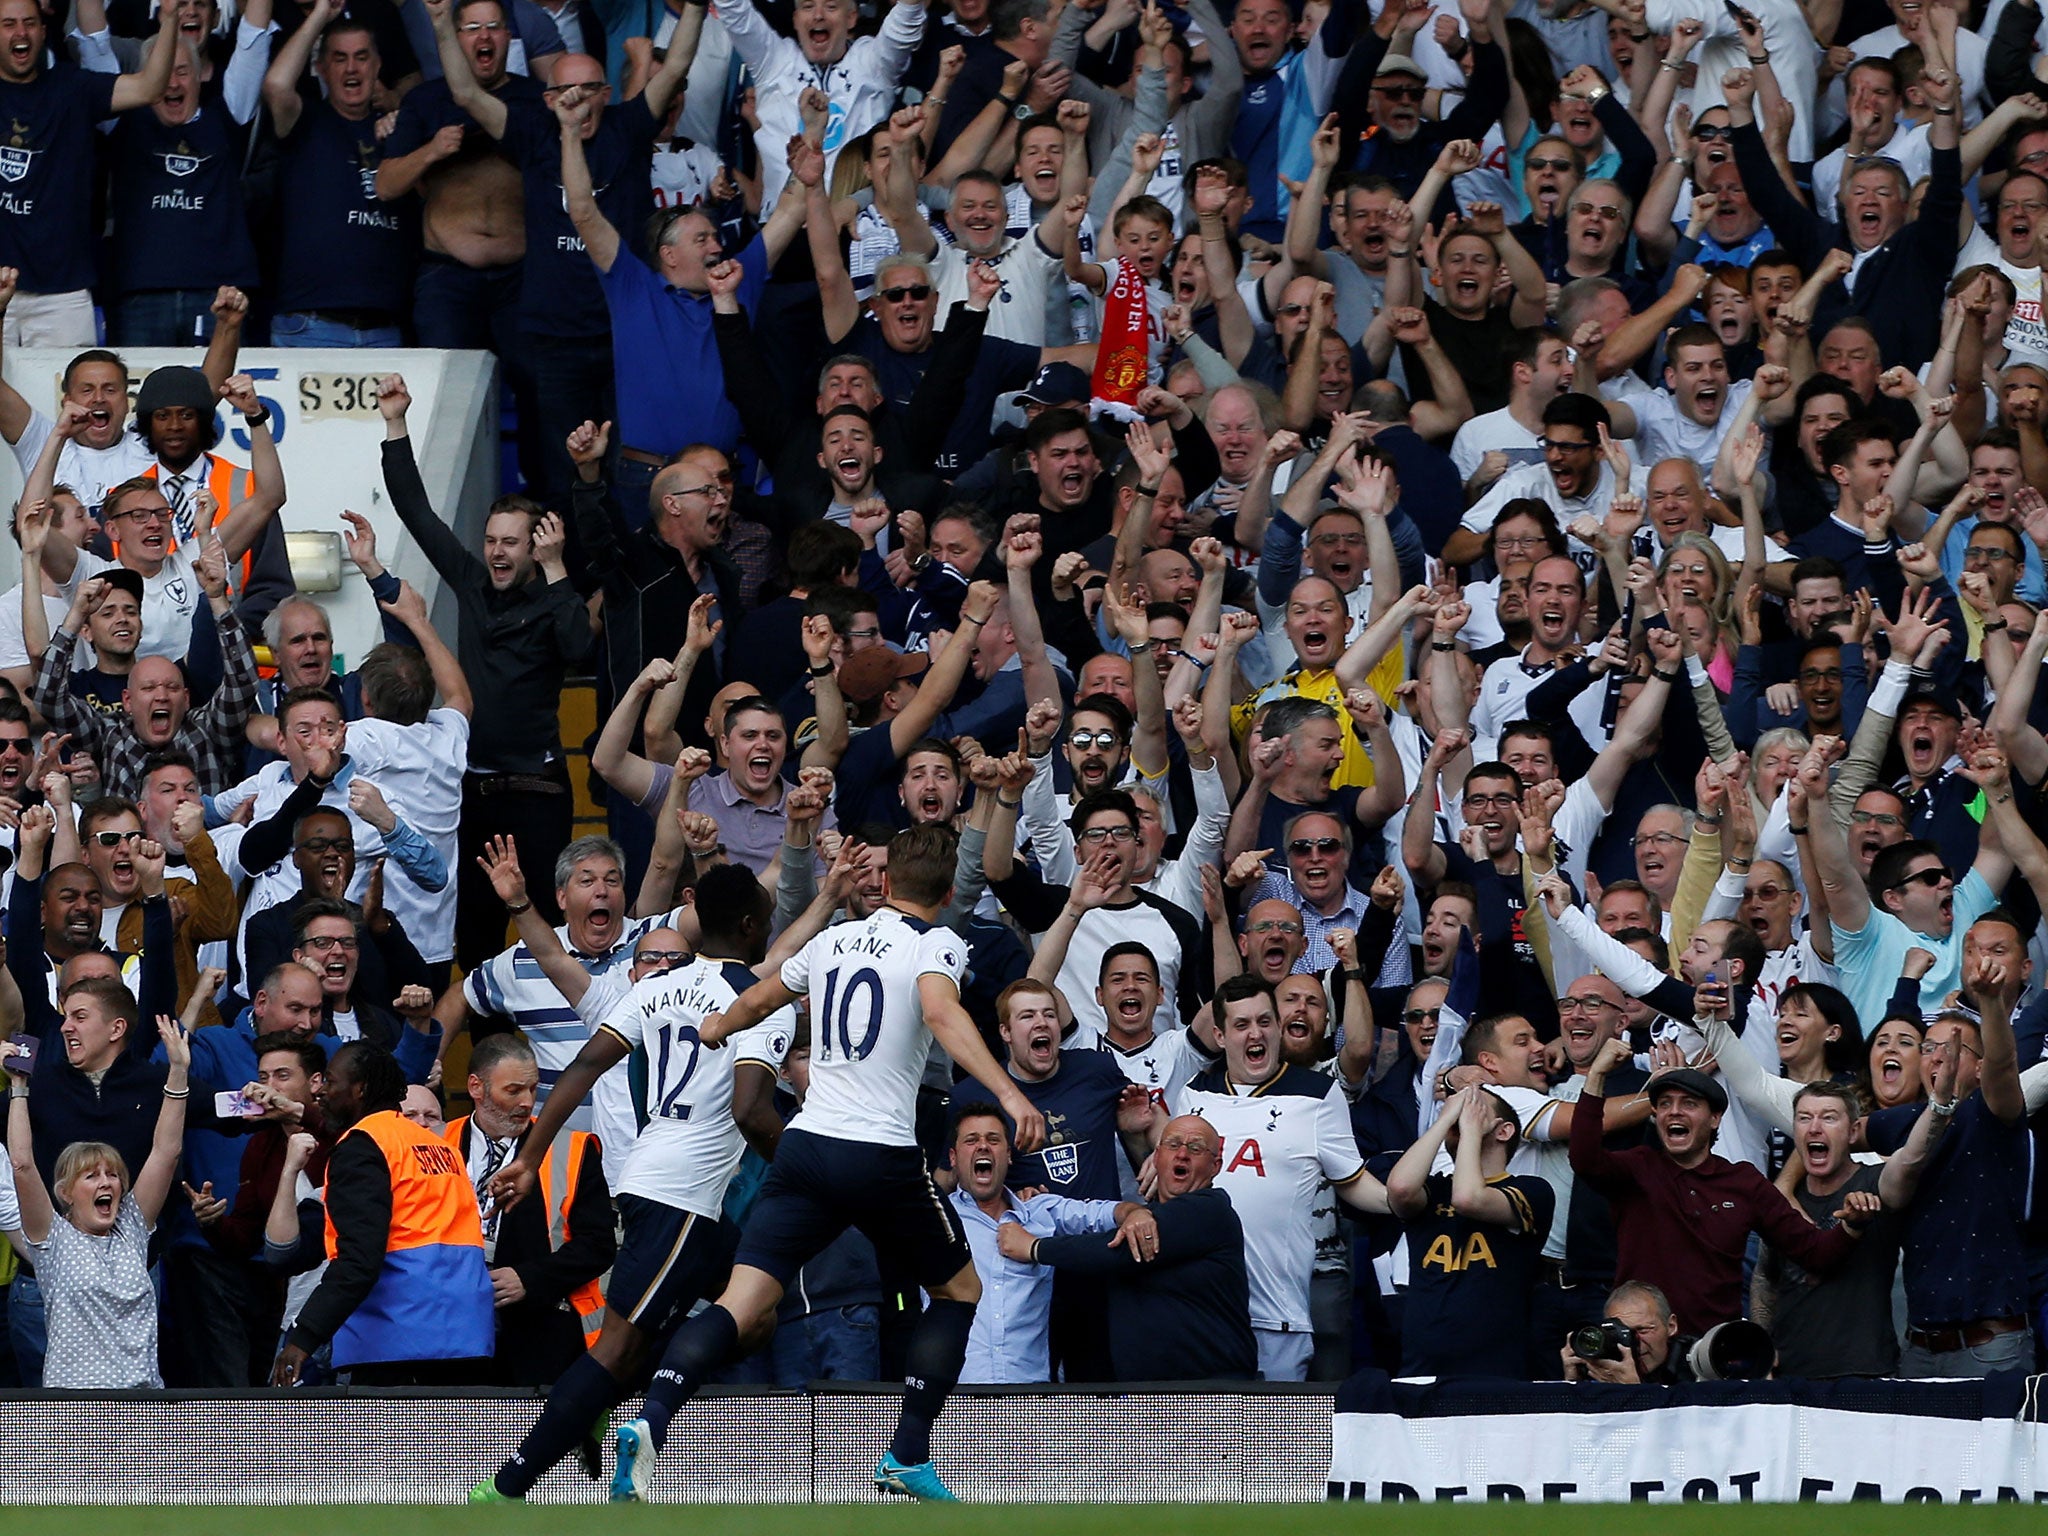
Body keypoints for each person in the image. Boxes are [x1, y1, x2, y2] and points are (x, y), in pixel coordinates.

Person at [596, 825, 1046, 1503]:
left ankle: (652, 1418)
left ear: (885, 882)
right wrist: (1010, 1093)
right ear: (950, 892)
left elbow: (759, 997)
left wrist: (715, 1028)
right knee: (960, 1292)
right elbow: (939, 1010)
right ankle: (906, 1454)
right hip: (880, 1155)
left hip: (806, 1148)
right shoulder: (938, 942)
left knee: (739, 1302)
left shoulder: (833, 939)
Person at [468, 864, 793, 1500]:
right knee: (617, 1346)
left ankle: (620, 1402)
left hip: (654, 1179)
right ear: (754, 926)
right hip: (683, 1195)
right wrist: (803, 1174)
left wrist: (532, 1156)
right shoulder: (759, 1003)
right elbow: (752, 1112)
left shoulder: (657, 988)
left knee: (755, 1313)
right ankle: (508, 1484)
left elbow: (581, 1069)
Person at [376, 374, 592, 967]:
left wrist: (556, 570)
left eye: (511, 543)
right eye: (492, 540)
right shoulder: (473, 583)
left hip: (539, 789)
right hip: (471, 788)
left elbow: (578, 647)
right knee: (471, 933)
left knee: (548, 932)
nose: (497, 552)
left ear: (534, 548)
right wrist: (396, 423)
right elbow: (416, 511)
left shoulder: (553, 594)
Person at [1166, 974, 1389, 1382]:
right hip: (1204, 1314)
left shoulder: (1318, 1094)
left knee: (1277, 1443)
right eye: (1242, 1025)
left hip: (1277, 1317)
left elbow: (1352, 1181)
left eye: (1265, 1021)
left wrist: (1404, 1201)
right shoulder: (1194, 1093)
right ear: (1219, 1035)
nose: (1257, 1033)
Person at [1567, 1037, 1872, 1334]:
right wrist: (1596, 1076)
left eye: (1688, 1104)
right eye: (1665, 1104)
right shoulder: (1637, 1167)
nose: (1674, 1111)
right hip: (1640, 1348)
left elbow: (1814, 1251)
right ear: (1656, 1115)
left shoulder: (1743, 1182)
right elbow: (1583, 1158)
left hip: (1712, 1359)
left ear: (1714, 1118)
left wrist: (1852, 1227)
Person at [272, 1041, 495, 1386]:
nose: (321, 1091)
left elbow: (359, 1259)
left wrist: (302, 1339)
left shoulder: (363, 1145)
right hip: (466, 1332)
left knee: (388, 1439)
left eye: (330, 1081)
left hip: (399, 1338)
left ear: (359, 1089)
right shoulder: (440, 1147)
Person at [3, 1011, 190, 1388]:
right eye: (91, 1176)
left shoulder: (132, 1228)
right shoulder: (52, 1239)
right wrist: (19, 1088)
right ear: (65, 1193)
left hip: (142, 1405)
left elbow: (165, 1152)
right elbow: (23, 1165)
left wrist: (178, 1072)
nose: (107, 1183)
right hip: (78, 1411)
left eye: (112, 1175)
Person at [996, 1111, 1256, 1381]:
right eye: (1173, 1144)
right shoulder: (1142, 1220)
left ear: (1215, 1166)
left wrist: (1035, 1247)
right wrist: (1043, 1213)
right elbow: (1093, 1251)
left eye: (1196, 1147)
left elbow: (1114, 1251)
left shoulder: (1211, 1210)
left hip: (1213, 1394)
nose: (1182, 1154)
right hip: (1144, 1398)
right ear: (1157, 1158)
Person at [443, 1032, 614, 1387]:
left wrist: (531, 1279)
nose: (527, 1102)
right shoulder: (437, 1142)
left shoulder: (572, 1148)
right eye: (513, 1090)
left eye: (533, 1090)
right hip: (449, 1322)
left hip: (540, 1328)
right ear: (476, 1087)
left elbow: (598, 1245)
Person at [947, 1102, 1153, 1383]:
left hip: (1030, 1394)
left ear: (1008, 1156)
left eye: (993, 1140)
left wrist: (1135, 1212)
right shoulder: (935, 1219)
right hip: (955, 1396)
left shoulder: (1041, 1211)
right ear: (953, 1158)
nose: (983, 1146)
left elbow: (1104, 1213)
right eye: (971, 1140)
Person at [1386, 1085, 1555, 1380]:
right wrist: (1443, 1120)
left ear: (1503, 1131)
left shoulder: (1533, 1190)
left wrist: (1470, 1132)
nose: (1464, 1111)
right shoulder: (1434, 1189)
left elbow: (1468, 1199)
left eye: (1475, 1105)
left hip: (1495, 1370)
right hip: (1422, 1369)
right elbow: (1399, 1189)